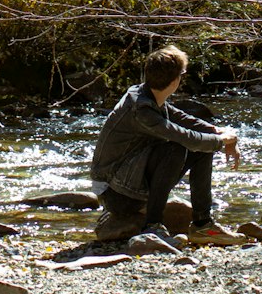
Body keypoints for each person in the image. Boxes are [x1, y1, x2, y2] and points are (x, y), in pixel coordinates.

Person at [90, 44, 244, 247]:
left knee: (201, 148)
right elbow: (182, 135)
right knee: (177, 147)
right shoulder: (142, 110)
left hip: (127, 180)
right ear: (175, 81)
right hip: (115, 194)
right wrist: (222, 142)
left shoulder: (145, 94)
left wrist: (218, 132)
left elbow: (179, 117)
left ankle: (202, 224)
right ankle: (152, 226)